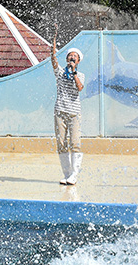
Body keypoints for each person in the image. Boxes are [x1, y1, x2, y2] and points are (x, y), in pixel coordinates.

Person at [51, 36, 84, 185]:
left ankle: (74, 175)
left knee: (75, 143)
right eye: (70, 55)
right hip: (60, 111)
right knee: (61, 143)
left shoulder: (80, 75)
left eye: (74, 56)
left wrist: (74, 72)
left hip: (74, 113)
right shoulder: (60, 73)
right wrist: (53, 44)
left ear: (78, 60)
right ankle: (66, 174)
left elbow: (80, 87)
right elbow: (53, 61)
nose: (71, 57)